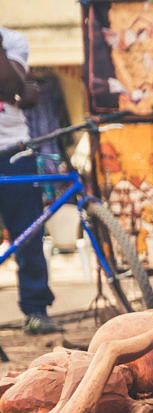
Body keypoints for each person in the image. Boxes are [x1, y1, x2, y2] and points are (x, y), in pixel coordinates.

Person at [0, 26, 59, 334]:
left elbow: (11, 86)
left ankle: (36, 312)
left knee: (29, 233)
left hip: (14, 151)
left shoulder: (13, 40)